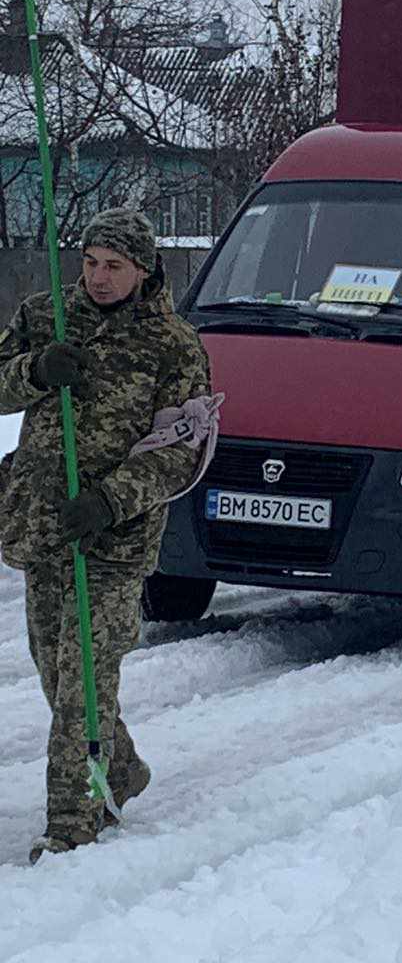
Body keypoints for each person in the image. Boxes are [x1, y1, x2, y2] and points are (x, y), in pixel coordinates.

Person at [2, 209, 213, 863]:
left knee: (82, 691)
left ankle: (74, 827)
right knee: (54, 670)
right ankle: (121, 769)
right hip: (44, 527)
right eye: (90, 261)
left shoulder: (173, 345)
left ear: (142, 270)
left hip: (112, 544)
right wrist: (37, 370)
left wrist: (110, 498)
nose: (97, 277)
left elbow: (183, 450)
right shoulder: (46, 317)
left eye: (113, 266)